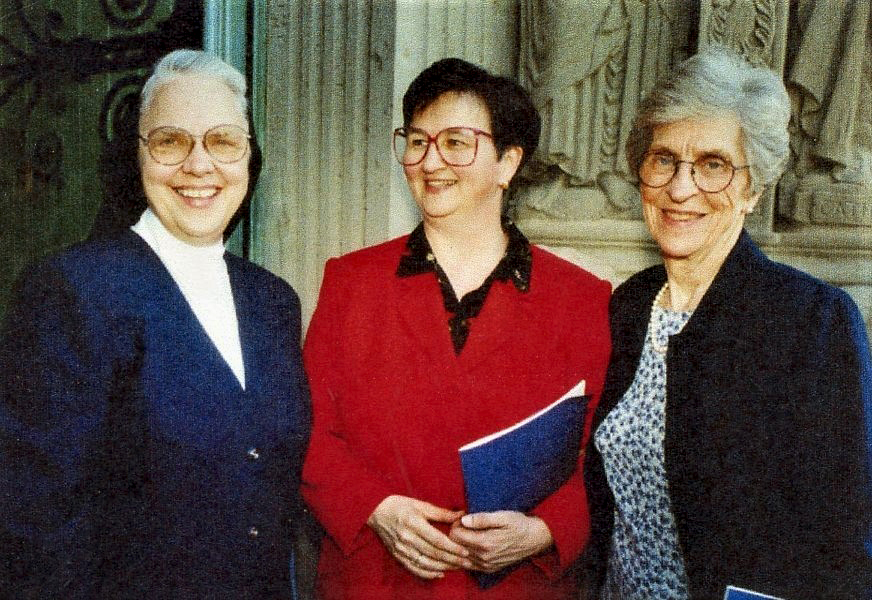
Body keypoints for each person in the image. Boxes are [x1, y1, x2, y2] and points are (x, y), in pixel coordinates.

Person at [0, 49, 311, 598]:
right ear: (136, 157)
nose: (198, 165)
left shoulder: (273, 302)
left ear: (248, 158)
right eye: (170, 141)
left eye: (222, 141)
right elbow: (34, 521)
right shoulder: (72, 291)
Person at [301, 58, 612, 599]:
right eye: (416, 141)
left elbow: (605, 456)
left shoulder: (582, 300)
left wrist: (545, 530)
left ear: (507, 163)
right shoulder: (350, 282)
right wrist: (375, 509)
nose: (429, 161)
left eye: (455, 142)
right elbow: (305, 429)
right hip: (376, 581)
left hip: (515, 588)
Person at [582, 45, 872, 599]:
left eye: (713, 165)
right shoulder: (628, 306)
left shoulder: (812, 321)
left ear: (753, 189)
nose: (681, 188)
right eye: (663, 158)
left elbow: (846, 540)